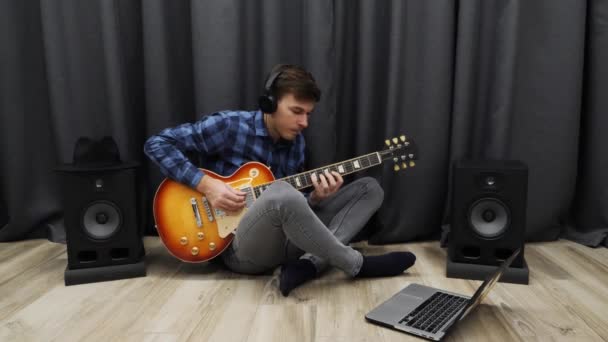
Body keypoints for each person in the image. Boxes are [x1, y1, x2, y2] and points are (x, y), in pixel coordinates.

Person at [144, 64, 416, 296]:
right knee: (282, 193)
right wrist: (206, 185)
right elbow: (157, 144)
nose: (304, 123)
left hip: (285, 242)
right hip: (239, 248)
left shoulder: (295, 143)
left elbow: (292, 211)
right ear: (270, 104)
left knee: (370, 188)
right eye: (297, 111)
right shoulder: (229, 126)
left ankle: (308, 265)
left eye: (308, 114)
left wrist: (317, 198)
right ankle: (356, 265)